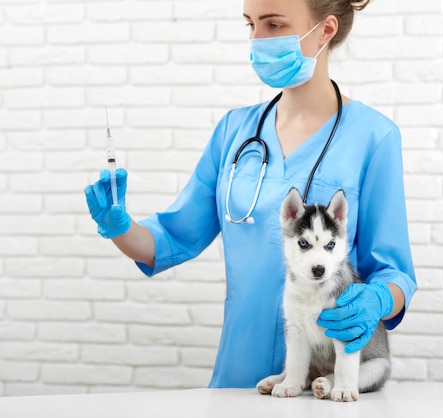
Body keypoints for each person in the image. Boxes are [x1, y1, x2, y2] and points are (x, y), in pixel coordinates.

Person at [84, 0, 417, 388]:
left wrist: (375, 300)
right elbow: (170, 239)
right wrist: (119, 226)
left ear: (325, 30)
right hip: (239, 373)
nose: (257, 40)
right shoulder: (234, 132)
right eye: (250, 24)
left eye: (274, 25)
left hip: (327, 380)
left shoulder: (373, 137)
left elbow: (394, 273)